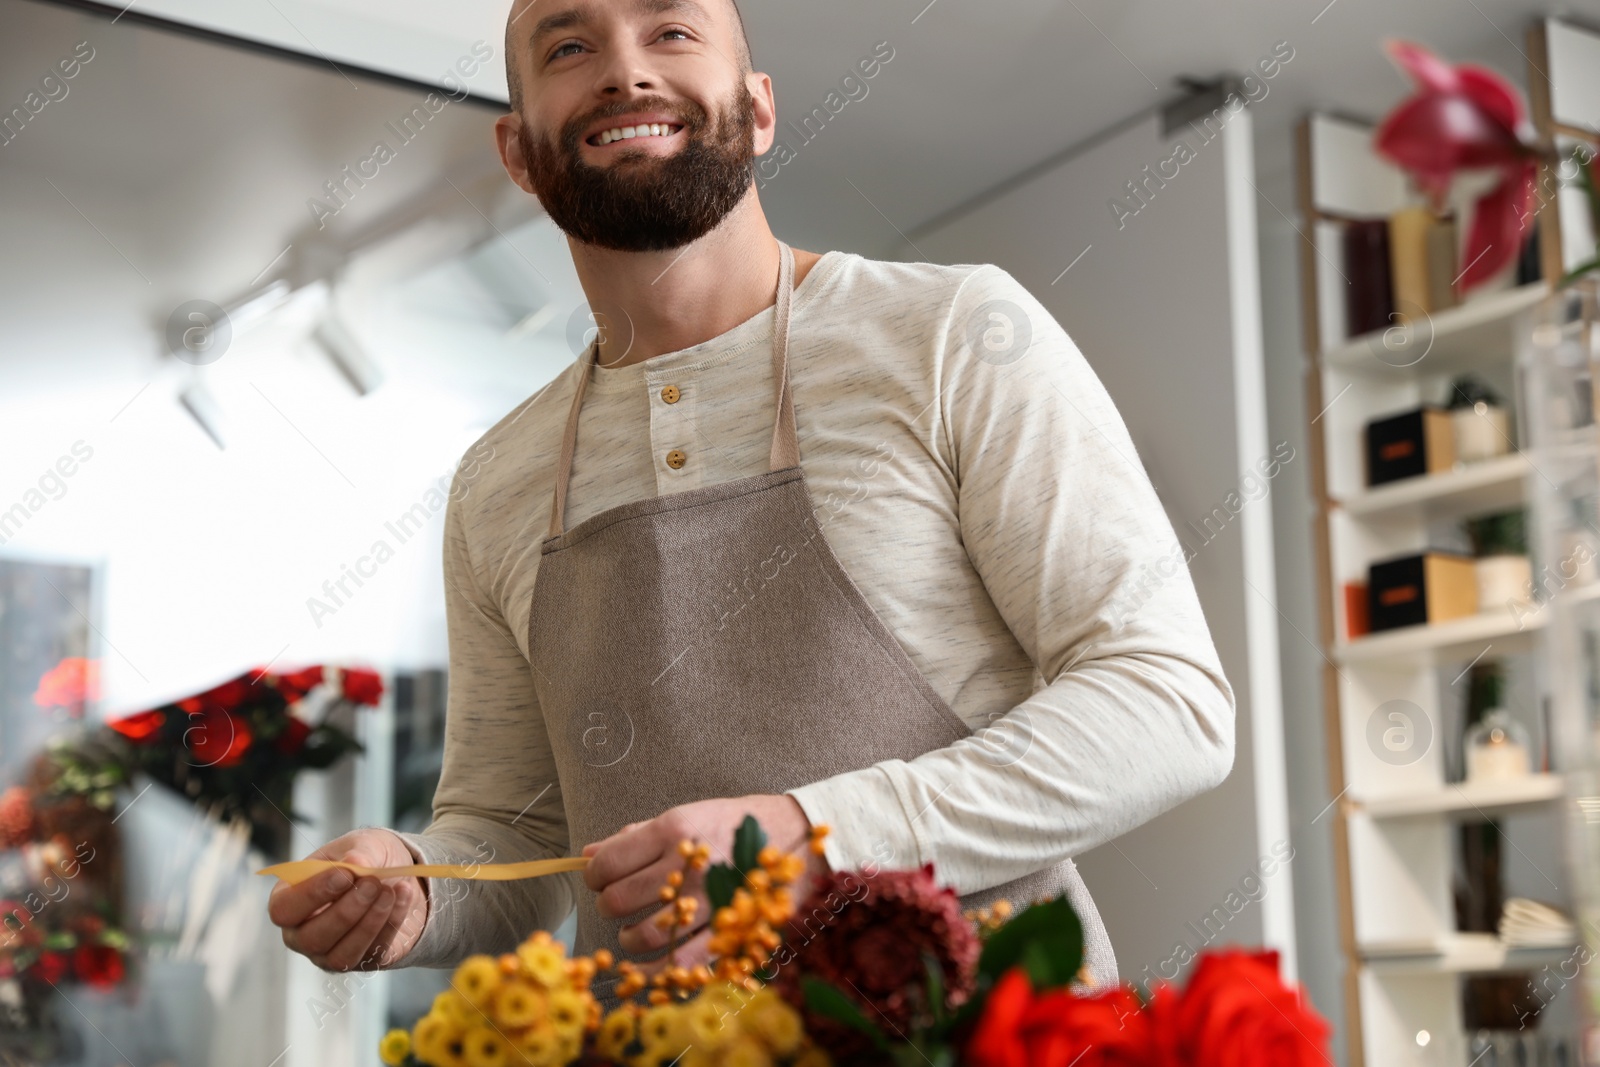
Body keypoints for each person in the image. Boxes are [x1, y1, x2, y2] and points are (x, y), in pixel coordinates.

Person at [267, 0, 1236, 999]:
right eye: (568, 46)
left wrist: (821, 837)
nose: (624, 72)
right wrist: (421, 887)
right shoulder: (495, 481)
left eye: (672, 32)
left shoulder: (951, 335)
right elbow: (516, 833)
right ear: (517, 151)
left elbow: (1164, 697)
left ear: (759, 109)